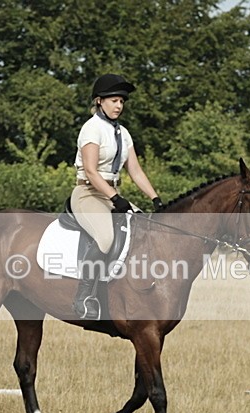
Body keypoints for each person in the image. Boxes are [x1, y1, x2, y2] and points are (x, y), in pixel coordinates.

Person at [71, 74, 164, 319]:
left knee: (145, 229)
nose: (119, 106)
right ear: (99, 101)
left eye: (122, 101)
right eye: (114, 100)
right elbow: (91, 171)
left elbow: (135, 170)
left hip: (111, 195)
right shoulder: (91, 128)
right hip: (87, 193)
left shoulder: (123, 133)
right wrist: (115, 198)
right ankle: (83, 297)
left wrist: (156, 199)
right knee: (105, 237)